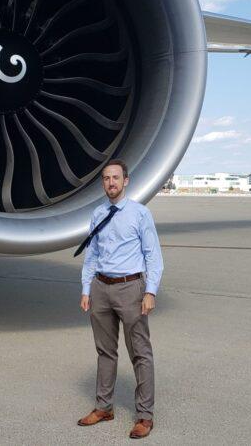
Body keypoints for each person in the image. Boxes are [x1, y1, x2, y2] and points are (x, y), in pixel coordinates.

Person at [74, 159, 163, 439]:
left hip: (130, 288)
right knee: (105, 351)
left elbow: (153, 255)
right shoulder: (98, 213)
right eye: (105, 178)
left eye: (115, 178)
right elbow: (92, 254)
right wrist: (86, 288)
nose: (110, 182)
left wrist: (150, 291)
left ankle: (145, 416)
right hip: (101, 287)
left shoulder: (140, 214)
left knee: (140, 354)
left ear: (126, 181)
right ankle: (104, 407)